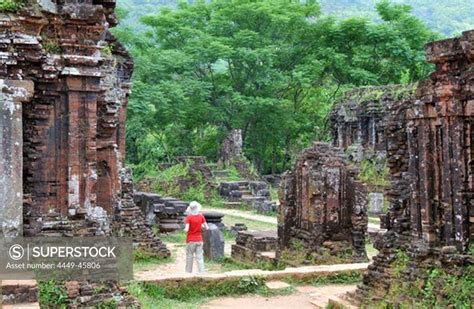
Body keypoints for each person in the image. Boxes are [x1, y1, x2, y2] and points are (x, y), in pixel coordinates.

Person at [184, 201, 209, 273]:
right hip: (199, 239)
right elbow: (206, 227)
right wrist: (200, 226)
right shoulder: (201, 216)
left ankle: (188, 272)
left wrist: (185, 229)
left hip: (191, 240)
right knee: (199, 257)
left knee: (189, 256)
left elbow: (187, 229)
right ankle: (202, 271)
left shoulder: (189, 217)